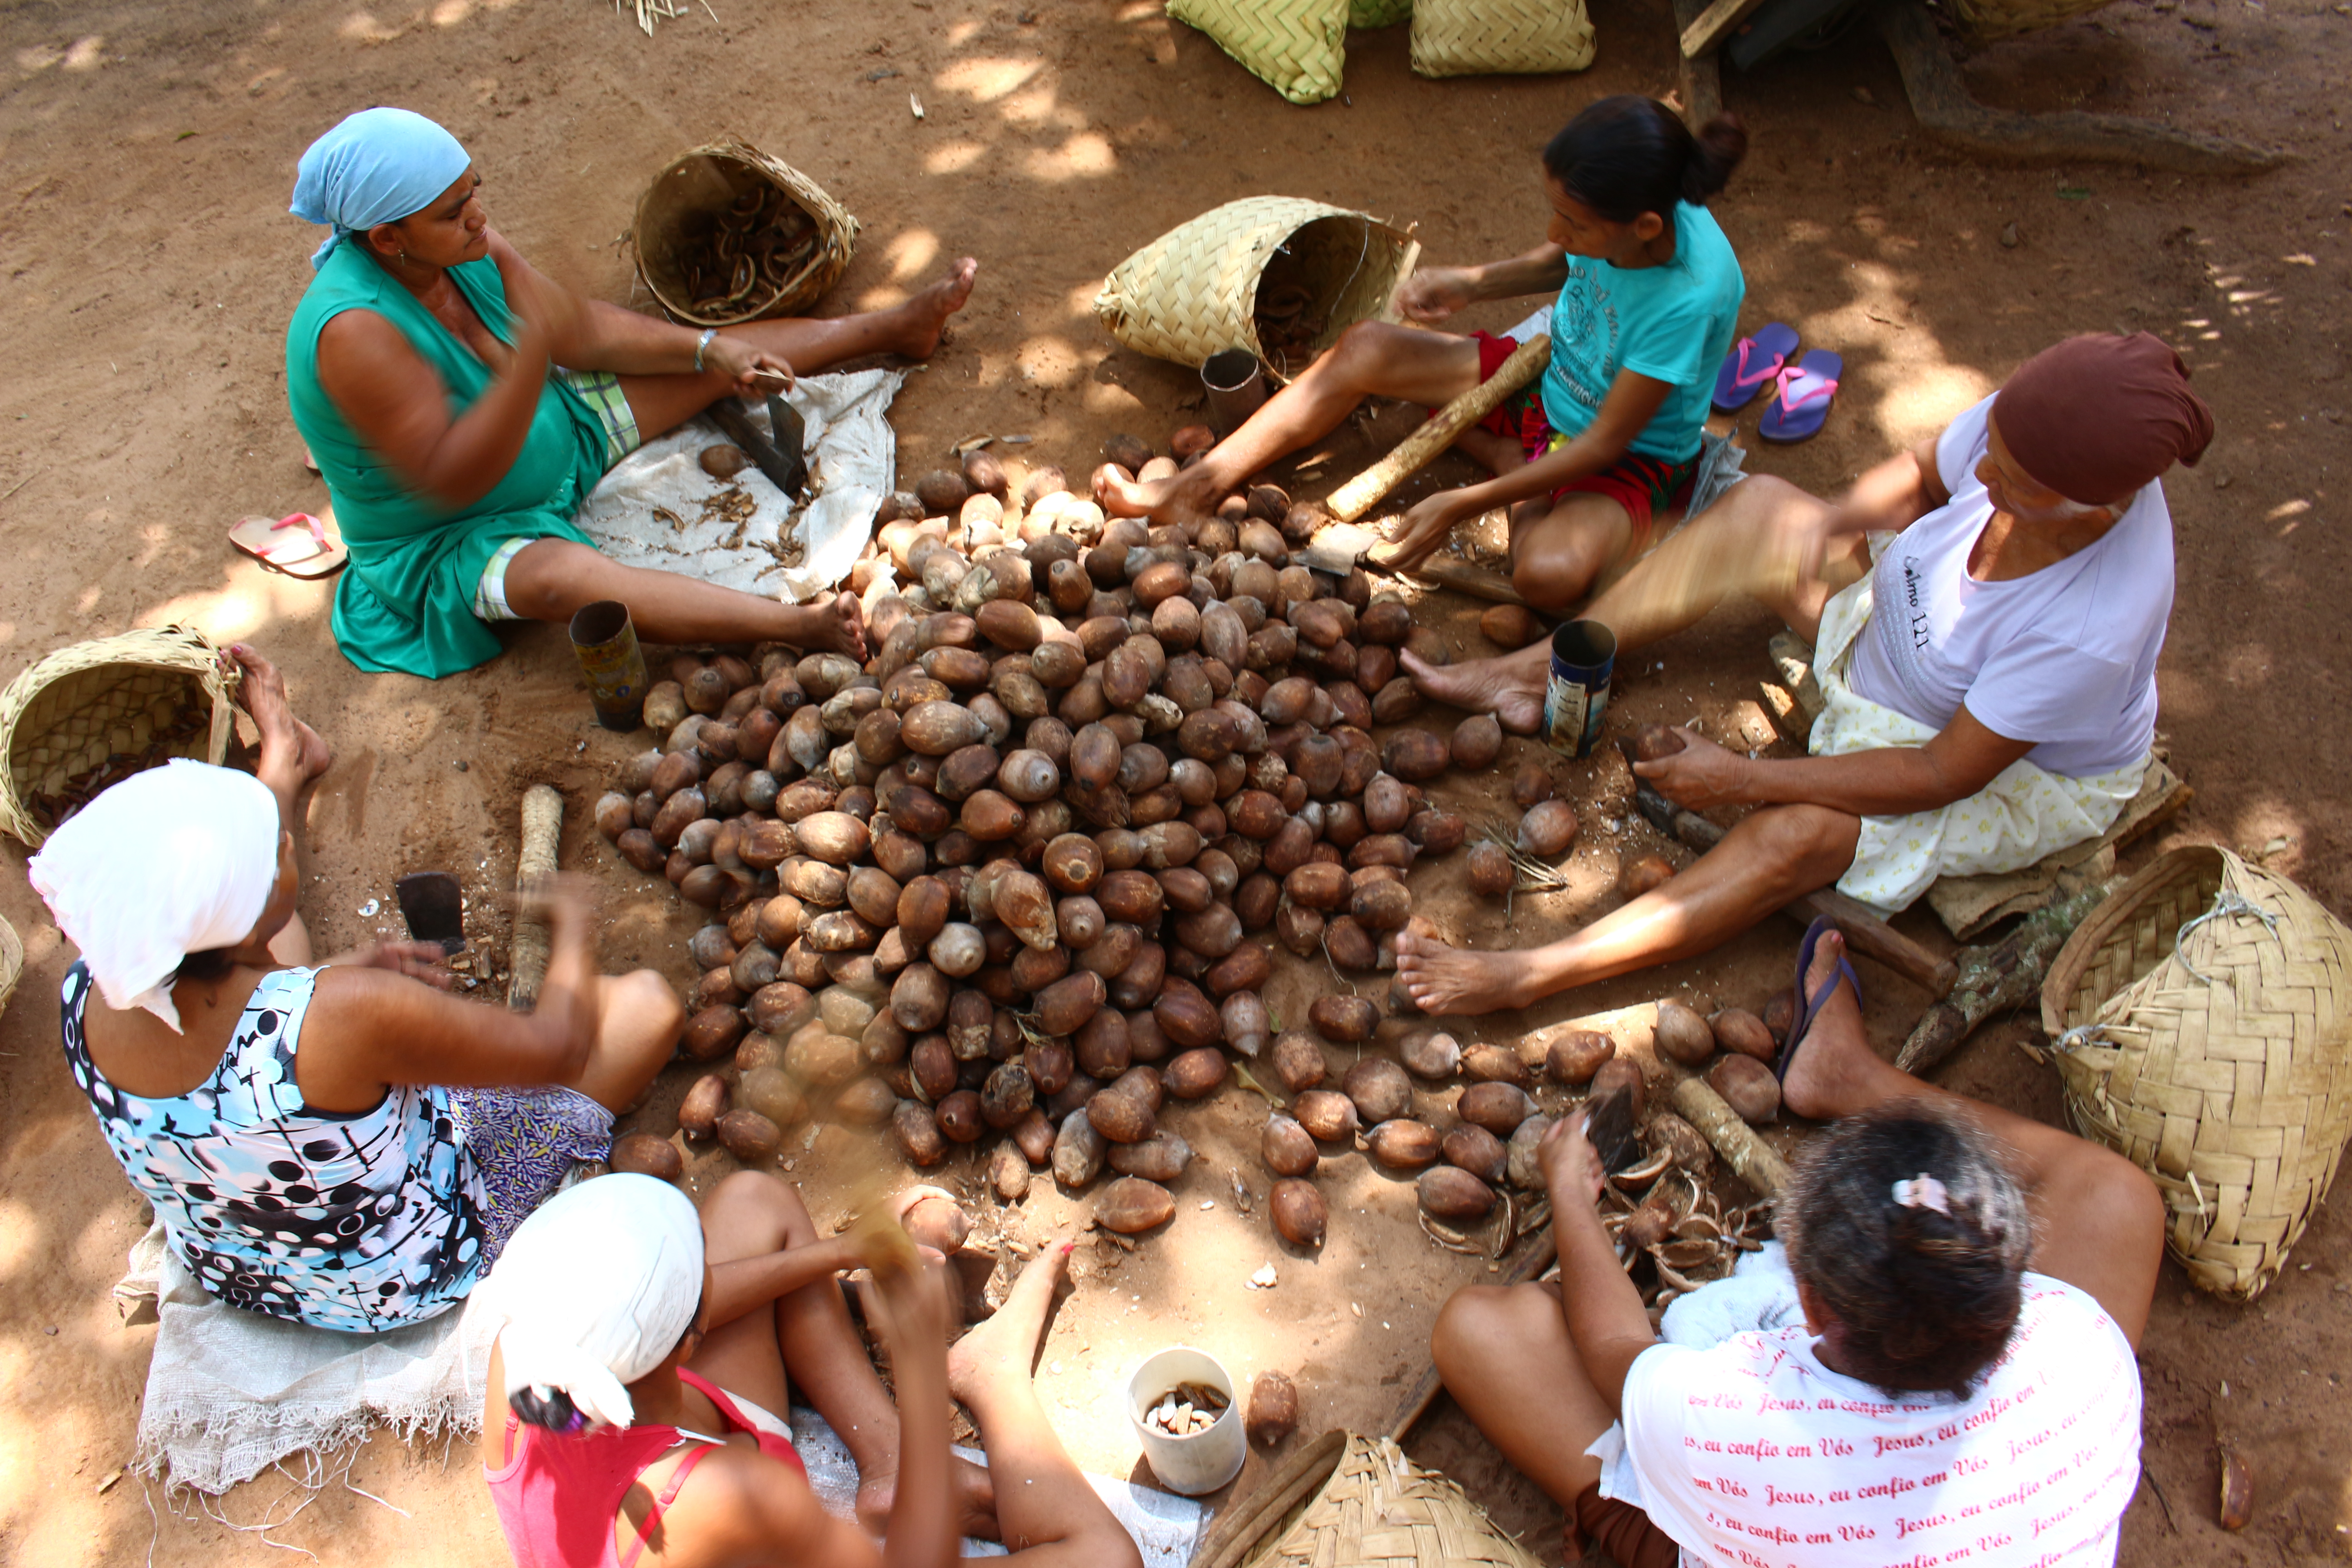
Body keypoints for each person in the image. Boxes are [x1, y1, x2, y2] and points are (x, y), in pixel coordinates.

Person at [1396, 331, 2214, 1015]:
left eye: (2014, 484)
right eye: (1993, 456)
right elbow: (1926, 476)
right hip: (1893, 637)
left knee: (1798, 834)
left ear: (2097, 513)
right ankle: (1535, 670)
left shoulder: (2091, 626)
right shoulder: (2030, 432)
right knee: (1758, 510)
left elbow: (1940, 771)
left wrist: (1745, 780)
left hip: (1987, 769)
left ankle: (1531, 976)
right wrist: (1829, 523)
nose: (1987, 480)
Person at [1432, 922, 2164, 1568]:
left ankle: (1625, 1523)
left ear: (1807, 1303)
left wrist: (1570, 1193)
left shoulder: (1746, 1431)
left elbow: (1615, 1347)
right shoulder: (2084, 1349)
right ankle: (1847, 1073)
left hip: (1764, 1503)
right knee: (2121, 1200)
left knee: (1483, 1331)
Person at [35, 646, 681, 1333]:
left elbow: (256, 1008)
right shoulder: (344, 1014)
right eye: (274, 850)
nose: (288, 849)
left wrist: (339, 973)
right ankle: (279, 769)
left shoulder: (92, 985)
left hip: (242, 1267)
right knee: (648, 1007)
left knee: (286, 987)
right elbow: (556, 1047)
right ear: (246, 914)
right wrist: (573, 929)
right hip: (407, 1273)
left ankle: (283, 759)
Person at [284, 106, 980, 679]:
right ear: (386, 237)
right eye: (454, 211)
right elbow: (454, 477)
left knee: (725, 366)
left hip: (562, 437)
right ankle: (799, 626)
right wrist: (531, 360)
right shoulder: (356, 333)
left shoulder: (461, 243)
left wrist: (709, 348)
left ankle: (898, 326)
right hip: (449, 537)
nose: (479, 218)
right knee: (565, 583)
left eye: (474, 193)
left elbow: (579, 332)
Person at [1097, 95, 1749, 612]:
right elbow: (1567, 258)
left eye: (1572, 221)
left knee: (1550, 577)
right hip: (1547, 374)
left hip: (1625, 453)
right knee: (1367, 347)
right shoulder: (1628, 208)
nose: (1556, 231)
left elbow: (1605, 444)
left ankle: (1511, 460)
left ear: (1645, 230)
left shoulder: (1689, 298)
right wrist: (1472, 283)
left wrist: (1465, 502)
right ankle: (1197, 485)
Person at [477, 1171, 1141, 1568]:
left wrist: (842, 1252)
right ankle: (993, 1378)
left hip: (670, 1444)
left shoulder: (526, 1352)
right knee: (1108, 1560)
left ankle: (888, 1464)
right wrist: (918, 1365)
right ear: (686, 1343)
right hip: (712, 1493)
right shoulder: (728, 1493)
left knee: (752, 1200)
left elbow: (693, 1303)